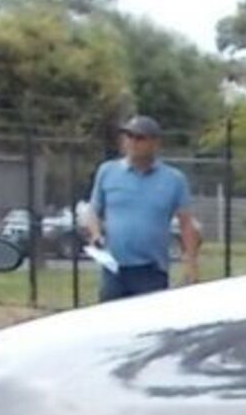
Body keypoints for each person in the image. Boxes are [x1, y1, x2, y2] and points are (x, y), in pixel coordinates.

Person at [81, 115, 203, 301]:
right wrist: (96, 234)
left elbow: (186, 224)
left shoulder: (173, 180)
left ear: (155, 143)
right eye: (128, 136)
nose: (132, 143)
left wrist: (190, 264)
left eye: (139, 138)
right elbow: (93, 210)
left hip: (151, 270)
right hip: (115, 268)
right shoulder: (107, 171)